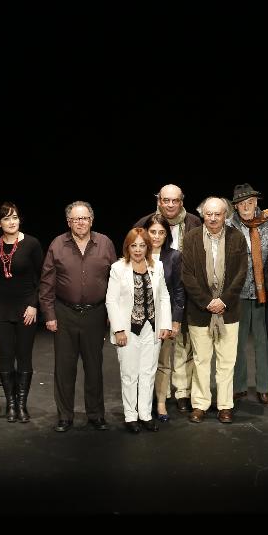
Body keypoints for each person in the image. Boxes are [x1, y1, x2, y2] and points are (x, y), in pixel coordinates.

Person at [40, 201, 118, 433]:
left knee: (94, 368)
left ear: (91, 220)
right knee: (64, 369)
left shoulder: (105, 243)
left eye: (84, 218)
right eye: (76, 219)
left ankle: (95, 415)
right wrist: (49, 314)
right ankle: (65, 416)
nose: (80, 223)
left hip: (96, 313)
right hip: (65, 313)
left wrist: (113, 314)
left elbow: (116, 281)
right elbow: (47, 283)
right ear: (69, 222)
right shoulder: (57, 244)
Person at [134, 184, 202, 413]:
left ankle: (182, 392)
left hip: (184, 291)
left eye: (175, 200)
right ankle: (154, 394)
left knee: (184, 346)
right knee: (153, 352)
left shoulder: (194, 222)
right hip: (150, 301)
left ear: (181, 201)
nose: (170, 204)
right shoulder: (144, 223)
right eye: (166, 200)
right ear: (159, 201)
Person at [180, 197, 248, 424]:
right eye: (208, 214)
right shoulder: (190, 238)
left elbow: (241, 273)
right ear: (202, 215)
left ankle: (225, 405)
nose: (213, 218)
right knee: (200, 360)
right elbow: (187, 275)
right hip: (200, 312)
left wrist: (223, 301)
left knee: (227, 361)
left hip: (228, 311)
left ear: (225, 215)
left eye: (217, 214)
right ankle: (200, 404)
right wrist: (207, 302)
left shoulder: (236, 237)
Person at [107, 228, 172, 432]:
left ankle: (145, 414)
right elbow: (112, 301)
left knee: (148, 372)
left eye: (142, 245)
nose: (138, 249)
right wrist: (118, 330)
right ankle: (130, 416)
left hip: (151, 328)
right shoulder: (118, 268)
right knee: (129, 374)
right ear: (127, 247)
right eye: (133, 245)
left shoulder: (157, 266)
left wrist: (165, 325)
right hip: (127, 330)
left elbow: (164, 297)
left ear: (148, 247)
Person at [0, 202, 44, 423]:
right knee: (5, 358)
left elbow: (43, 277)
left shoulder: (31, 243)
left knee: (23, 357)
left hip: (26, 308)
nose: (12, 222)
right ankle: (10, 405)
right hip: (0, 308)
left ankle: (22, 405)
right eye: (7, 218)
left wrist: (34, 304)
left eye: (15, 217)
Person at [225, 183, 268, 406]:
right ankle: (238, 386)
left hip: (263, 291)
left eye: (250, 202)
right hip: (236, 293)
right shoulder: (228, 226)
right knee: (236, 343)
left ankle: (264, 388)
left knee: (261, 341)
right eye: (241, 203)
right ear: (235, 206)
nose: (246, 206)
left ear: (256, 202)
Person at [144, 213, 186, 423]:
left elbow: (179, 291)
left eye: (161, 232)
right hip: (140, 318)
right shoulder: (137, 253)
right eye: (153, 232)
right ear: (146, 232)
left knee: (163, 363)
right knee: (141, 363)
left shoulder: (174, 256)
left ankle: (160, 402)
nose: (157, 236)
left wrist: (176, 320)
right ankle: (141, 402)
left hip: (164, 318)